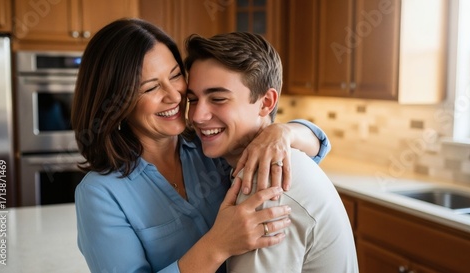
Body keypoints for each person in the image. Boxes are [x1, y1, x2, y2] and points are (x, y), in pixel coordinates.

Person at [72, 18, 330, 273]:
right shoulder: (100, 194)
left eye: (175, 76)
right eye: (151, 88)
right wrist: (216, 246)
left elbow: (317, 147)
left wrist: (281, 131)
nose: (174, 96)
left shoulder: (210, 145)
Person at [185, 32, 359, 273]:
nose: (197, 116)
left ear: (266, 102)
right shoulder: (268, 158)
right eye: (192, 100)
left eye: (218, 98)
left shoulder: (265, 182)